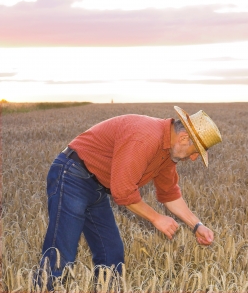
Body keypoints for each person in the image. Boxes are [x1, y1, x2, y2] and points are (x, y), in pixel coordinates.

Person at [39, 106, 222, 283]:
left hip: (97, 186)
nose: (193, 158)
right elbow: (123, 192)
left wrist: (197, 225)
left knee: (111, 253)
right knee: (61, 254)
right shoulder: (146, 138)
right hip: (72, 175)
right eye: (196, 152)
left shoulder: (168, 154)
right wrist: (156, 218)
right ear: (183, 138)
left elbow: (169, 194)